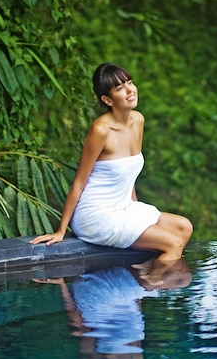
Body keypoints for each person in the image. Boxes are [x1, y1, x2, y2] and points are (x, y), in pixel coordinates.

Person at [30, 63, 193, 275]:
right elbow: (79, 182)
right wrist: (61, 231)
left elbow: (129, 174)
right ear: (107, 100)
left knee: (184, 228)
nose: (130, 90)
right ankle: (147, 283)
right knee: (173, 245)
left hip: (123, 207)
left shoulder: (138, 120)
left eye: (130, 83)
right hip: (96, 215)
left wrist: (136, 210)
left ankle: (144, 272)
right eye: (119, 88)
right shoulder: (101, 130)